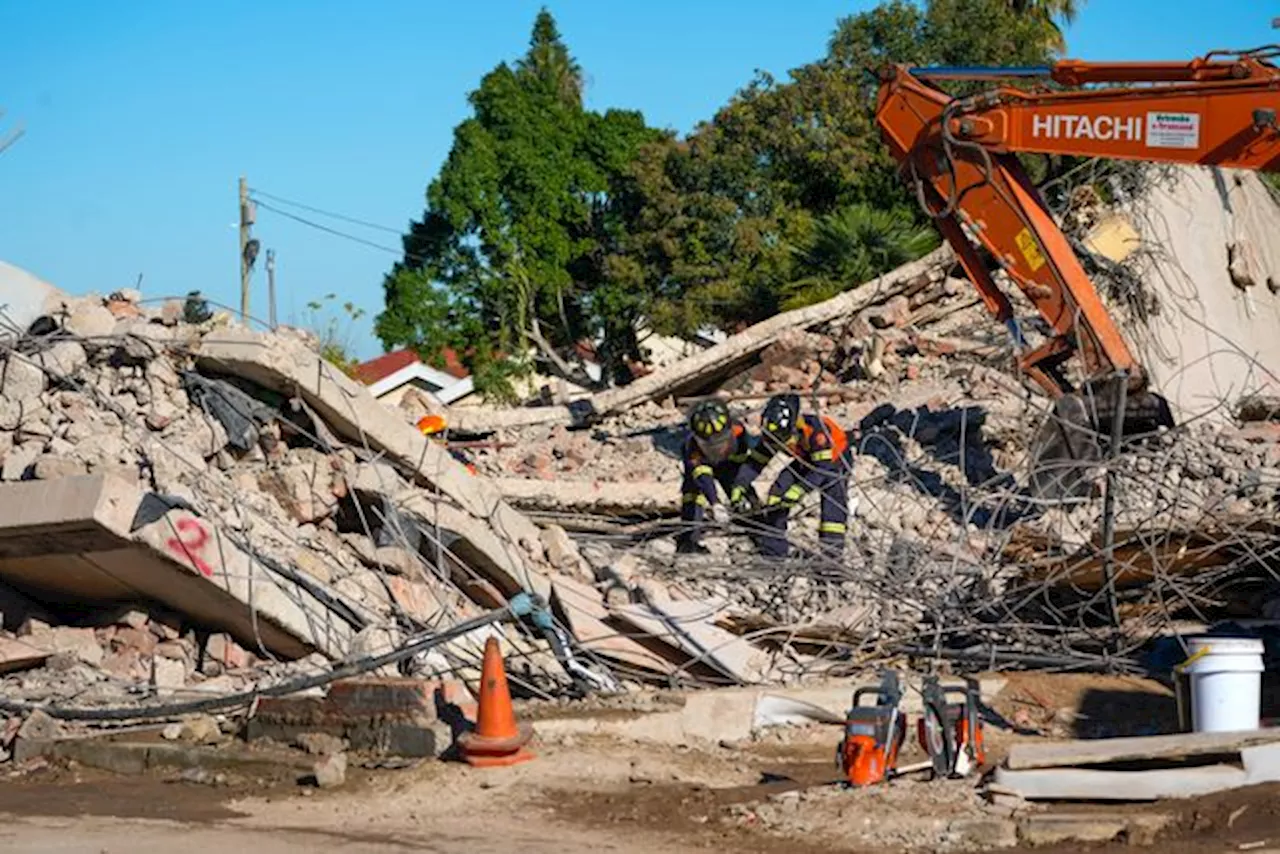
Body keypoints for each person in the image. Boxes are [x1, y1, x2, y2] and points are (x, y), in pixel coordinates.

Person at [734, 393, 852, 558]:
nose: (783, 446)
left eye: (786, 440)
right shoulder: (775, 433)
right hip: (806, 458)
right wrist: (740, 484)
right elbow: (755, 463)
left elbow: (821, 470)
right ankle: (774, 552)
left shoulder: (817, 434)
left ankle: (832, 558)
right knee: (778, 493)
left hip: (835, 460)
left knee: (832, 509)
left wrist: (799, 490)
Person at [676, 398, 757, 554]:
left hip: (729, 464)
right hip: (703, 466)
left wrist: (738, 490)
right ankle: (688, 542)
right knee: (692, 496)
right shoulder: (691, 447)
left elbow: (741, 467)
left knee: (743, 493)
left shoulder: (739, 432)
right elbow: (702, 477)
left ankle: (758, 532)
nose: (718, 449)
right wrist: (715, 503)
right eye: (712, 446)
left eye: (721, 443)